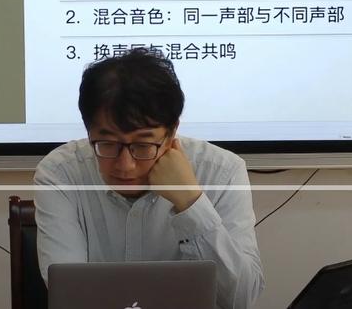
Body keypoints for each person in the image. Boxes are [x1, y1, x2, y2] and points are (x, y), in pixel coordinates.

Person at [34, 47, 263, 309]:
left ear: (172, 132)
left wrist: (191, 201)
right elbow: (71, 296)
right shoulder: (60, 174)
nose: (126, 165)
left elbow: (241, 299)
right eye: (108, 144)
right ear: (88, 132)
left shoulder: (222, 172)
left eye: (143, 145)